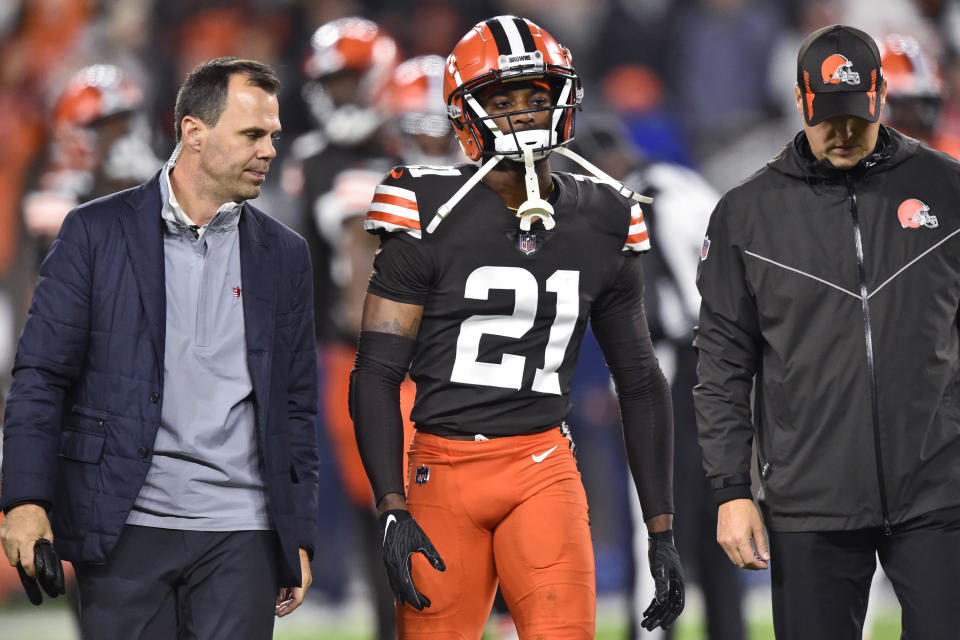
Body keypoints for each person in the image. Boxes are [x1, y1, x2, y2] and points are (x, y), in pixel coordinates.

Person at [350, 15, 685, 638]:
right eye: (502, 101)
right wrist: (391, 506)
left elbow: (639, 379)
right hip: (441, 469)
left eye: (537, 97)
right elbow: (375, 370)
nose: (524, 115)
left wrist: (661, 527)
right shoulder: (421, 204)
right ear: (465, 113)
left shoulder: (607, 213)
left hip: (543, 464)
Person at [0, 56, 319, 639]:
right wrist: (24, 498)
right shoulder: (93, 232)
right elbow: (41, 376)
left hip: (241, 532)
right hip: (124, 524)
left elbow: (295, 406)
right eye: (252, 134)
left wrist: (297, 532)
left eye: (273, 135)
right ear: (193, 133)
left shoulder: (285, 254)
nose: (270, 149)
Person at [694, 24, 960, 640]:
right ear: (799, 100)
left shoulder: (947, 189)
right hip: (809, 500)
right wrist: (731, 491)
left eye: (856, 118)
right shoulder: (746, 212)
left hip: (938, 493)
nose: (841, 134)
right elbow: (723, 364)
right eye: (827, 118)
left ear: (880, 95)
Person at [568, 114, 744, 640]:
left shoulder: (630, 203)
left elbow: (654, 297)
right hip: (721, 362)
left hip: (669, 362)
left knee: (656, 513)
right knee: (723, 504)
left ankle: (652, 631)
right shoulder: (685, 182)